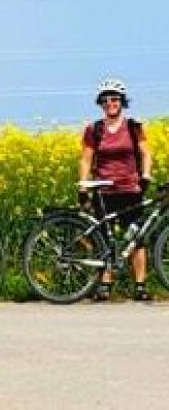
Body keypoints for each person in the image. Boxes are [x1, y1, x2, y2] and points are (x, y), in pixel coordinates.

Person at [79, 78, 153, 301]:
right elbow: (86, 159)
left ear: (122, 101)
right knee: (104, 238)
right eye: (105, 100)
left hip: (130, 188)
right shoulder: (94, 129)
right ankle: (105, 285)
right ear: (100, 103)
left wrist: (146, 175)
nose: (110, 103)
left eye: (114, 99)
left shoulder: (133, 127)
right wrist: (83, 186)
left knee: (137, 238)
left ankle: (140, 285)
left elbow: (146, 153)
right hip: (104, 191)